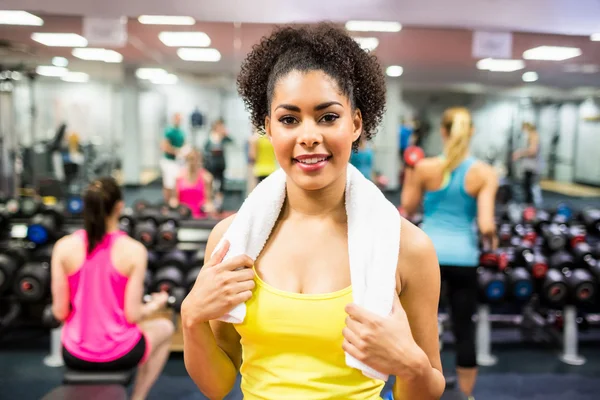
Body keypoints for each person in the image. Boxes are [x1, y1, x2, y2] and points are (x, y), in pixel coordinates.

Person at [182, 23, 445, 400]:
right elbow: (217, 384)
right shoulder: (230, 242)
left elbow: (427, 385)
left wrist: (411, 365)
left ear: (356, 124)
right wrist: (191, 318)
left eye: (327, 117)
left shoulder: (407, 248)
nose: (308, 135)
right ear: (268, 127)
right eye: (289, 119)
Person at [401, 107, 499, 400]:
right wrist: (492, 242)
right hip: (464, 259)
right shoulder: (483, 173)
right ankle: (467, 395)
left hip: (426, 256)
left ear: (442, 132)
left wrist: (411, 172)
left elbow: (408, 207)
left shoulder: (426, 168)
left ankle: (417, 391)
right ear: (471, 133)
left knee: (419, 326)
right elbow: (485, 224)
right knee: (463, 327)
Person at [50, 177, 175, 400]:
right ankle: (138, 397)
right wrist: (156, 304)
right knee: (165, 327)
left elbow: (59, 313)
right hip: (120, 353)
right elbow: (133, 315)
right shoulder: (133, 250)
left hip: (74, 353)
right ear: (119, 207)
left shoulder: (63, 247)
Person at [172, 148, 217, 219]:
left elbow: (208, 201)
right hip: (182, 216)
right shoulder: (179, 177)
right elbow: (174, 199)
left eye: (196, 160)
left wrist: (209, 207)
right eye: (191, 159)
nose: (193, 162)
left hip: (200, 218)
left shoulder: (207, 178)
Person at [203, 119, 232, 208]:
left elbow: (230, 141)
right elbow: (205, 148)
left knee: (220, 186)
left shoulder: (223, 137)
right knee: (212, 184)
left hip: (220, 164)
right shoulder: (210, 137)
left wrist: (226, 135)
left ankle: (218, 205)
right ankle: (211, 203)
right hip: (211, 164)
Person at [512, 122, 542, 206]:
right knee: (528, 188)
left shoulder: (533, 136)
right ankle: (529, 207)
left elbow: (533, 151)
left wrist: (519, 153)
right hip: (529, 167)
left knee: (531, 189)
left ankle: (532, 209)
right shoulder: (531, 136)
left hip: (532, 167)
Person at [161, 113, 186, 204]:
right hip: (169, 161)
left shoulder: (181, 132)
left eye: (180, 119)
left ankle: (175, 202)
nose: (179, 121)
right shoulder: (169, 131)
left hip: (178, 162)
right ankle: (167, 204)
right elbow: (164, 146)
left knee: (177, 183)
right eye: (177, 119)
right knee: (168, 184)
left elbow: (184, 144)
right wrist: (176, 151)